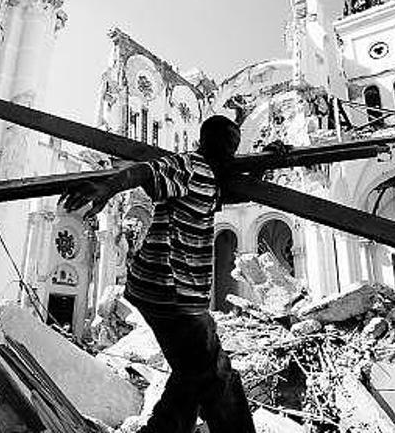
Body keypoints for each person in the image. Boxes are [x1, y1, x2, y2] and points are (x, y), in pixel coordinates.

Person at [61, 115, 255, 433]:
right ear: (207, 141)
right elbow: (148, 171)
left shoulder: (210, 179)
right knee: (216, 374)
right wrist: (108, 187)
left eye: (235, 144)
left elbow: (238, 192)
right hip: (170, 290)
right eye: (227, 143)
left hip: (175, 294)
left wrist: (274, 159)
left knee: (190, 375)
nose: (231, 150)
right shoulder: (189, 166)